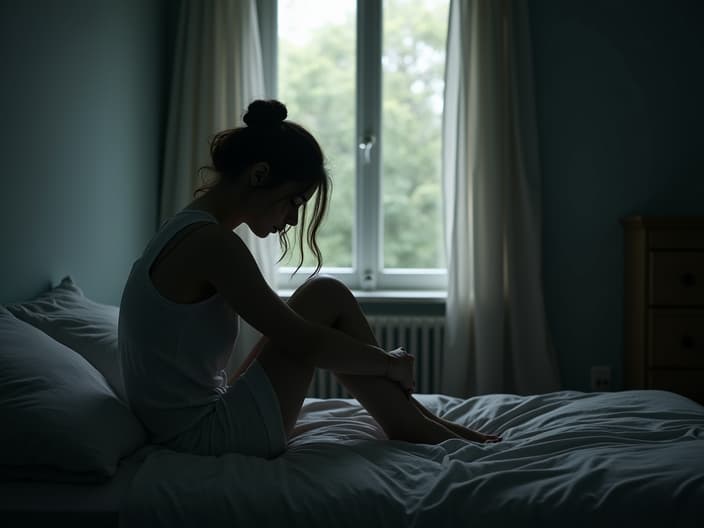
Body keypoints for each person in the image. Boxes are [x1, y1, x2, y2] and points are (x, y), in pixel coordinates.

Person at [118, 99, 501, 460]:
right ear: (259, 175)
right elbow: (305, 343)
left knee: (323, 294)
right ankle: (410, 421)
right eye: (294, 202)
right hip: (203, 439)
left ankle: (414, 418)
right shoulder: (211, 244)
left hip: (191, 426)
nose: (293, 220)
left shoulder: (183, 229)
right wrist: (387, 364)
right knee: (325, 296)